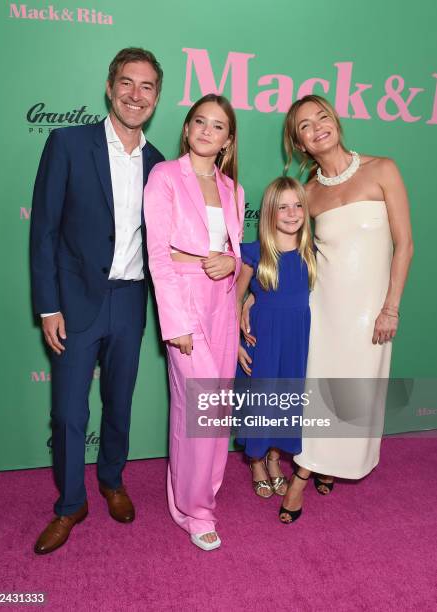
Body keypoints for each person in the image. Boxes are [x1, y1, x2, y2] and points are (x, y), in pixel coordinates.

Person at [244, 94, 413, 523]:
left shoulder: (383, 169)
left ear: (335, 121)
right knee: (316, 396)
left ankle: (304, 477)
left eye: (322, 116)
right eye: (305, 125)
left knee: (353, 393)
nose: (317, 126)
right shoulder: (308, 193)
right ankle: (312, 466)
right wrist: (253, 293)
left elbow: (404, 244)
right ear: (300, 143)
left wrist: (390, 307)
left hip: (369, 312)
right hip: (321, 311)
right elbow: (288, 252)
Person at [30, 48, 164, 554]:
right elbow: (43, 231)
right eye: (126, 83)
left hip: (130, 301)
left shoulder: (159, 165)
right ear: (110, 88)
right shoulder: (67, 143)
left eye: (147, 86)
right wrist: (48, 305)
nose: (135, 94)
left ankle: (111, 479)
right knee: (68, 412)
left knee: (120, 401)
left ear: (156, 98)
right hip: (75, 301)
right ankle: (70, 504)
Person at [144, 94, 245, 551]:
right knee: (198, 406)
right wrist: (174, 322)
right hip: (183, 300)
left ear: (227, 140)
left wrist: (230, 260)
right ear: (186, 130)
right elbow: (160, 256)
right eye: (199, 122)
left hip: (221, 302)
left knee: (217, 409)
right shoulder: (164, 176)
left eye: (218, 126)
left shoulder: (234, 190)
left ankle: (205, 492)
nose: (207, 130)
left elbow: (234, 251)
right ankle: (194, 511)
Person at [235, 177, 315, 501]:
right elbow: (234, 299)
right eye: (283, 206)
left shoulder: (313, 252)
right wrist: (235, 342)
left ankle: (273, 458)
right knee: (261, 399)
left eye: (298, 205)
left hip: (296, 339)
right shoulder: (255, 254)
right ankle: (256, 460)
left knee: (285, 399)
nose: (292, 212)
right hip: (263, 338)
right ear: (269, 212)